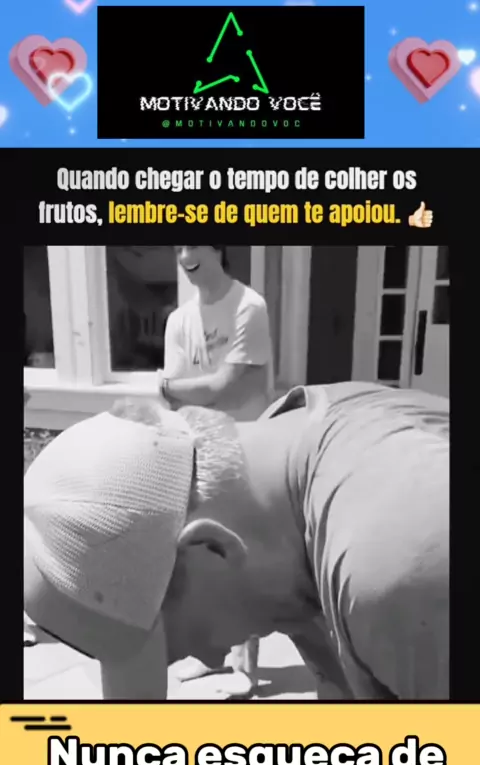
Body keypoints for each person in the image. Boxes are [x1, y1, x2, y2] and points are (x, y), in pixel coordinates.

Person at [24, 381, 449, 701]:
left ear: (212, 548)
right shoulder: (277, 486)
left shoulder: (397, 571)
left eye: (184, 644)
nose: (212, 660)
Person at [159, 245, 273, 696]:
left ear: (218, 248)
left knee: (243, 556)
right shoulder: (178, 320)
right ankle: (210, 655)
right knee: (199, 557)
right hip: (197, 446)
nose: (185, 255)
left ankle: (247, 666)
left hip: (246, 447)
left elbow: (225, 386)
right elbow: (178, 395)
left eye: (195, 243)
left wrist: (178, 387)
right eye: (179, 246)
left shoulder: (249, 306)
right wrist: (185, 390)